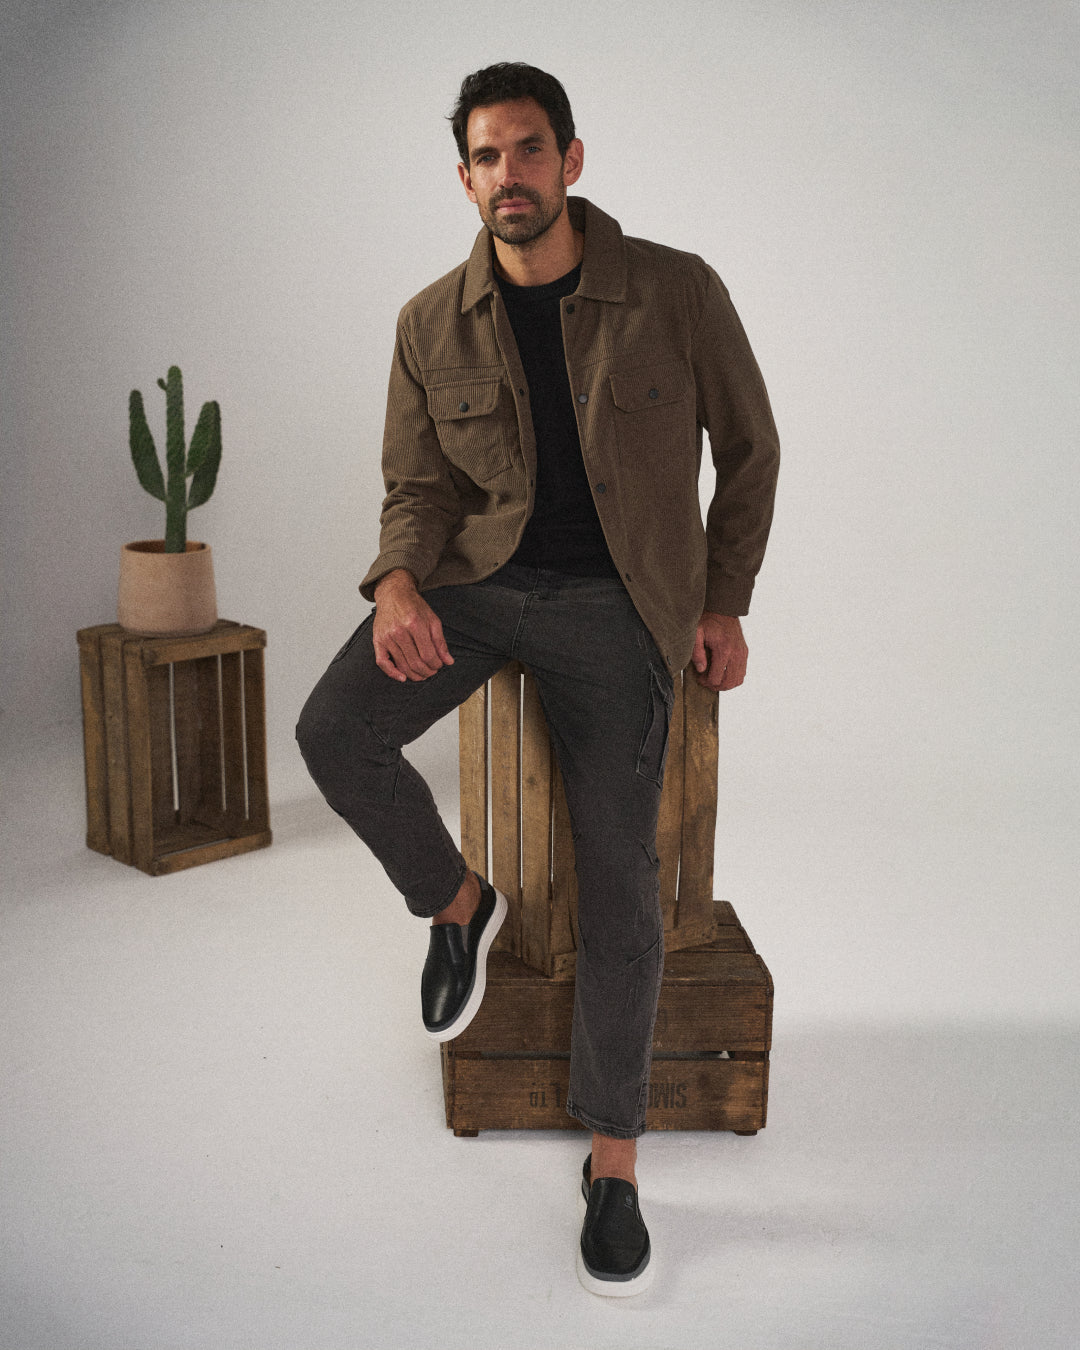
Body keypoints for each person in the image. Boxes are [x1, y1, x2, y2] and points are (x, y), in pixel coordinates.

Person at [297, 61, 779, 1297]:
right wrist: (396, 585)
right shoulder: (429, 322)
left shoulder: (674, 290)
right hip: (477, 583)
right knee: (334, 730)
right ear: (463, 179)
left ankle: (613, 1159)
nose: (507, 175)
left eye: (526, 149)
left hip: (620, 607)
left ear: (571, 159)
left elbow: (751, 449)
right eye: (485, 156)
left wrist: (722, 599)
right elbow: (416, 488)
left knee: (624, 876)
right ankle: (459, 904)